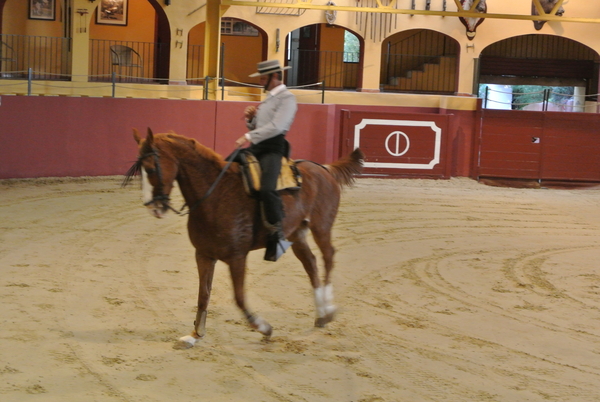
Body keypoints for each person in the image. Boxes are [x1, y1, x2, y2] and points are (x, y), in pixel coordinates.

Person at [234, 59, 298, 262]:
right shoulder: (269, 98)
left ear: (274, 77)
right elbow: (258, 127)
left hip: (273, 149)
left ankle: (277, 234)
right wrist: (251, 120)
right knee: (228, 166)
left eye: (263, 77)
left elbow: (277, 127)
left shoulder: (287, 99)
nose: (261, 81)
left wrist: (248, 136)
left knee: (268, 188)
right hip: (258, 147)